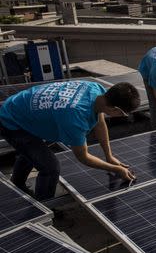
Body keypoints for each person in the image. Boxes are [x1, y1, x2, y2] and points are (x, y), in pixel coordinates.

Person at [0, 80, 140, 200]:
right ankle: (44, 206)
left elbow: (99, 122)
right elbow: (83, 157)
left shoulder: (96, 90)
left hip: (23, 108)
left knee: (33, 153)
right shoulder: (74, 117)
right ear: (115, 109)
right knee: (50, 167)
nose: (123, 117)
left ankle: (17, 183)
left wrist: (109, 156)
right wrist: (116, 169)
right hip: (12, 121)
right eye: (123, 114)